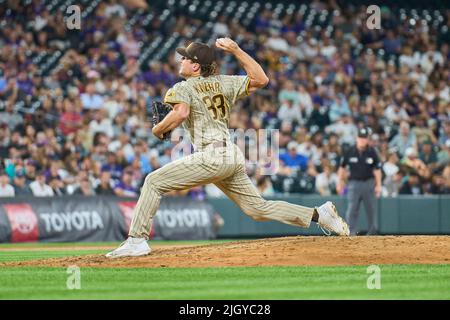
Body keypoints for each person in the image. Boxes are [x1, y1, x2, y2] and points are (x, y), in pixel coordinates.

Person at [106, 38, 349, 258]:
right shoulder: (224, 83)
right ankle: (319, 215)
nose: (181, 59)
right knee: (258, 208)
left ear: (195, 66)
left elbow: (181, 112)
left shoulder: (183, 87)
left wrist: (158, 129)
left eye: (185, 57)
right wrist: (236, 49)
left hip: (212, 155)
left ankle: (137, 240)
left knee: (152, 181)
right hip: (231, 155)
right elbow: (262, 79)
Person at [337, 127, 382, 235]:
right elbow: (342, 167)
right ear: (357, 138)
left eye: (364, 138)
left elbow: (377, 170)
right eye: (360, 138)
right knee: (352, 209)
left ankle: (372, 232)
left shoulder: (372, 151)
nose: (362, 140)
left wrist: (378, 185)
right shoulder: (350, 151)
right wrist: (340, 182)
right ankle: (350, 232)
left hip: (369, 183)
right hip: (354, 183)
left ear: (368, 139)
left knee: (371, 209)